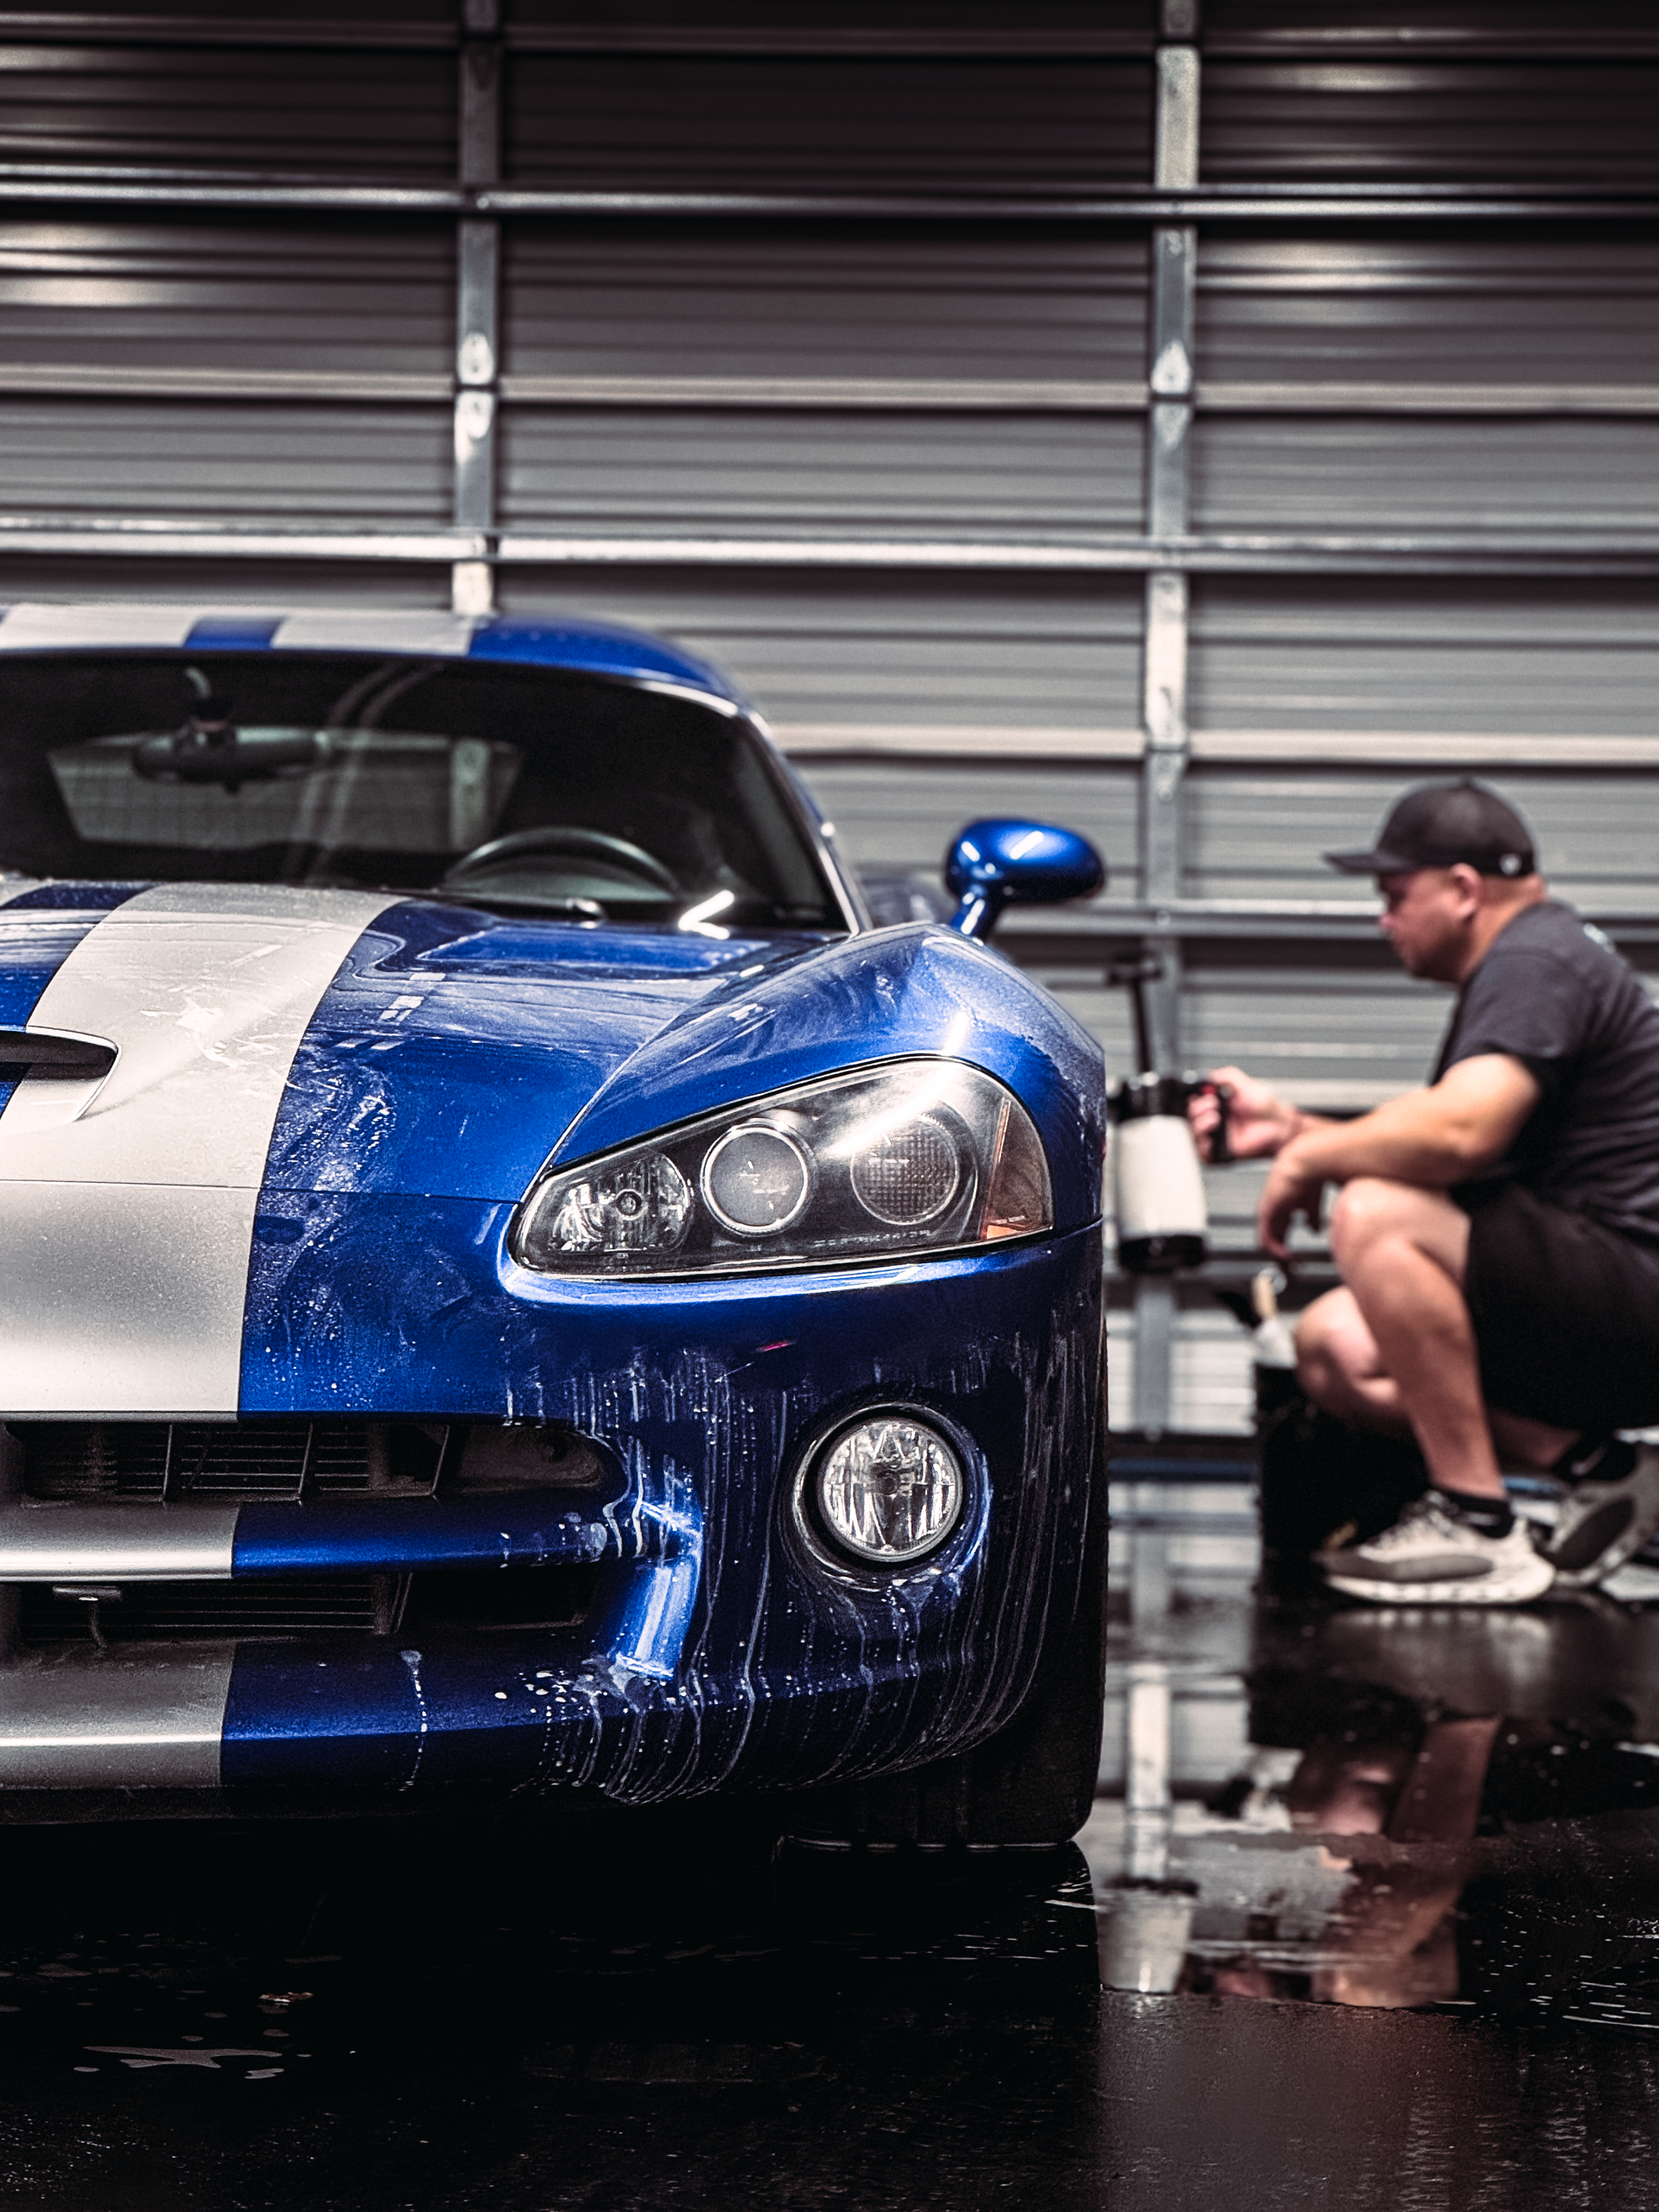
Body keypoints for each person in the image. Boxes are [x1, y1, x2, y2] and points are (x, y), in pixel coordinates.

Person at [1190, 778, 1659, 1605]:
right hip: (1598, 1297)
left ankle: (1480, 1528)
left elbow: (1457, 1136)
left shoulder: (1535, 961)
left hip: (1632, 1294)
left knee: (1374, 1210)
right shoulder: (1539, 956)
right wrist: (1294, 1129)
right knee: (1337, 1345)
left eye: (1396, 895)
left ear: (1465, 888)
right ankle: (1602, 1467)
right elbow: (1464, 1152)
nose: (1384, 918)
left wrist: (1316, 1160)